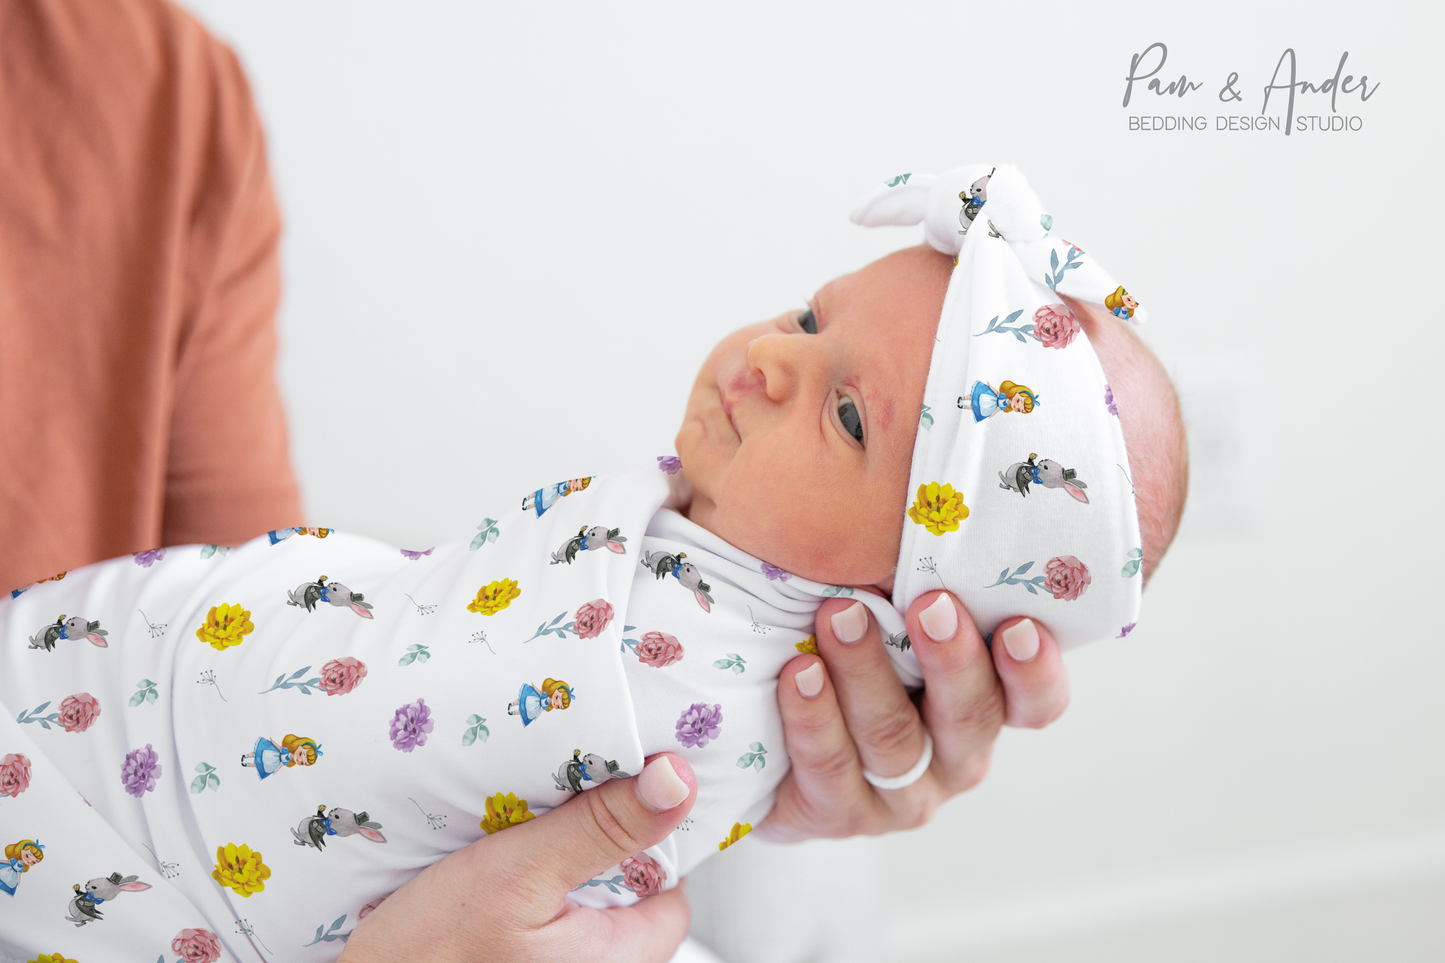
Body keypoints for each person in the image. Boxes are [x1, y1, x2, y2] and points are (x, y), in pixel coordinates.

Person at [0, 3, 1082, 958]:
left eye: (847, 415)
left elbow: (258, 623)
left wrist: (779, 787)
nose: (769, 352)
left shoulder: (160, 90)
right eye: (806, 317)